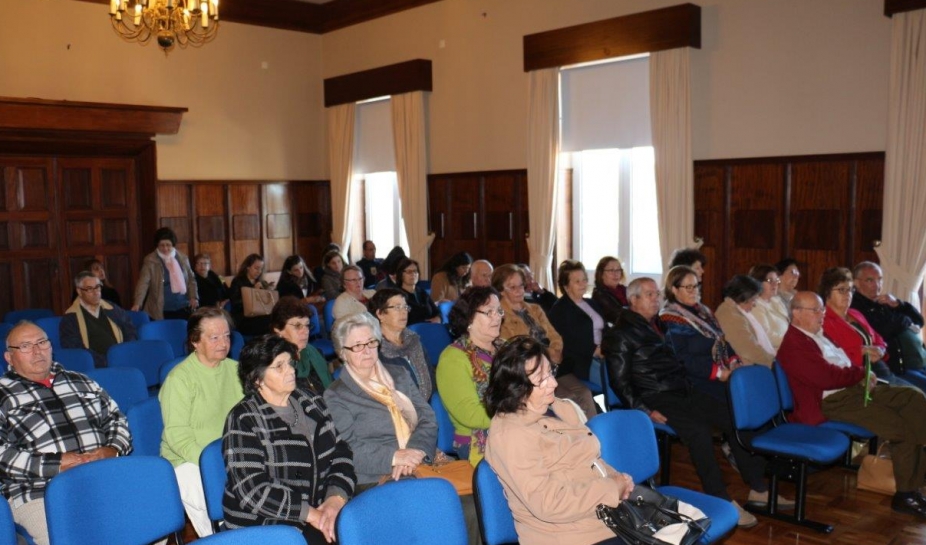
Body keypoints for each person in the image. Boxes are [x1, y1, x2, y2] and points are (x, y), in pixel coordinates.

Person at [602, 278, 781, 528]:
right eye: (648, 295)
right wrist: (645, 410)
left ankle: (758, 488)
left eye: (656, 294)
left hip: (681, 389)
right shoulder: (620, 333)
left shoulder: (659, 324)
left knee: (734, 419)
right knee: (699, 432)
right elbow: (619, 381)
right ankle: (720, 498)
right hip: (654, 395)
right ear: (633, 300)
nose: (656, 299)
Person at [324, 312, 483, 545]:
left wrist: (415, 451)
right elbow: (348, 450)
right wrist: (395, 457)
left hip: (421, 462)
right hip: (376, 475)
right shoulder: (337, 395)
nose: (367, 350)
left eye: (370, 342)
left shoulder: (398, 374)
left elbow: (428, 418)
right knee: (440, 510)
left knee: (475, 504)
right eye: (357, 346)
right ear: (342, 353)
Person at [777, 291, 926, 519]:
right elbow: (826, 378)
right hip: (834, 402)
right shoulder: (794, 344)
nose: (822, 314)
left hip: (854, 389)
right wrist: (860, 374)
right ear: (796, 314)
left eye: (822, 310)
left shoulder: (817, 334)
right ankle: (905, 495)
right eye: (815, 310)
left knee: (913, 397)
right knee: (901, 428)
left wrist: (862, 375)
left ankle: (917, 468)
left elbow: (842, 361)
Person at [485, 336, 632, 545]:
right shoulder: (511, 434)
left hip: (604, 520)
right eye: (541, 380)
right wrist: (610, 489)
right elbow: (548, 504)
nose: (554, 383)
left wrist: (618, 480)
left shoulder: (560, 407)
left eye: (551, 372)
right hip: (568, 535)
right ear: (515, 388)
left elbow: (590, 459)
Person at [0, 322, 133, 545]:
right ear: (9, 357)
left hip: (102, 476)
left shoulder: (82, 381)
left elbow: (116, 419)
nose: (37, 350)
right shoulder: (3, 394)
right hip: (39, 492)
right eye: (25, 346)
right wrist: (57, 464)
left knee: (147, 518)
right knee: (74, 537)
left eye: (42, 342)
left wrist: (113, 449)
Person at [222, 334, 355, 544]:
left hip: (320, 509)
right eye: (279, 366)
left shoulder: (310, 401)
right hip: (265, 522)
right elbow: (252, 491)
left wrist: (335, 499)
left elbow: (341, 452)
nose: (291, 370)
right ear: (257, 379)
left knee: (364, 529)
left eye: (290, 363)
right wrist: (311, 514)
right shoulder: (243, 419)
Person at [160, 307, 244, 537]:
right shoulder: (179, 379)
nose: (223, 343)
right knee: (217, 502)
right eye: (214, 337)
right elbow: (177, 437)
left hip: (230, 452)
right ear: (195, 341)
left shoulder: (236, 370)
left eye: (227, 336)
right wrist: (215, 463)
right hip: (188, 459)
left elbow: (247, 418)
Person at [493, 264, 596, 419]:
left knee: (584, 393)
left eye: (521, 285)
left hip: (553, 366)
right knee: (569, 399)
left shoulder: (534, 309)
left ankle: (594, 437)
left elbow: (555, 336)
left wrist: (554, 353)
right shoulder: (500, 315)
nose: (519, 290)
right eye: (512, 287)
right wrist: (546, 354)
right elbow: (515, 347)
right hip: (529, 372)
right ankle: (573, 438)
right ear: (501, 290)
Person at [819, 267, 919, 390]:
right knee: (917, 398)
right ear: (827, 292)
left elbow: (878, 339)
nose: (847, 294)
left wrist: (880, 350)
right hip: (860, 376)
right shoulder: (823, 320)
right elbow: (832, 356)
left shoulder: (855, 313)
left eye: (850, 290)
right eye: (841, 290)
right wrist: (862, 351)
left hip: (881, 368)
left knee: (918, 396)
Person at [435, 286, 500, 465]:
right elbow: (470, 414)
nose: (498, 317)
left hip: (515, 428)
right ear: (469, 318)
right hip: (477, 441)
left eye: (499, 311)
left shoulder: (506, 349)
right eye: (489, 312)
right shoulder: (453, 358)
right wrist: (517, 416)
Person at [660, 265, 740, 402]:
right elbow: (681, 358)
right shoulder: (670, 318)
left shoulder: (703, 311)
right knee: (737, 401)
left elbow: (719, 339)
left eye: (696, 286)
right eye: (688, 287)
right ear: (674, 290)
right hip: (694, 380)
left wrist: (733, 360)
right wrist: (718, 373)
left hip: (719, 373)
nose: (694, 291)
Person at [850, 261, 926, 376]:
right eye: (870, 280)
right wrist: (905, 320)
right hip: (899, 370)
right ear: (856, 283)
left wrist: (898, 304)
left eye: (880, 279)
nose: (877, 285)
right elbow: (884, 329)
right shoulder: (855, 306)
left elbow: (918, 320)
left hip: (919, 364)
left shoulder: (884, 302)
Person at [548, 260, 605, 402]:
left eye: (584, 280)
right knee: (615, 380)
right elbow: (567, 341)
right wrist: (595, 351)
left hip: (603, 354)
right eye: (577, 281)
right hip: (580, 362)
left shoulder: (591, 303)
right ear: (566, 286)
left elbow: (606, 330)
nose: (583, 284)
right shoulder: (560, 309)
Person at [60, 271, 138, 367]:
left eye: (97, 287)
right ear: (79, 291)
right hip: (96, 366)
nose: (96, 292)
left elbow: (129, 329)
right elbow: (77, 349)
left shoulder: (111, 308)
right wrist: (108, 362)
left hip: (122, 359)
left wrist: (126, 352)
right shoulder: (70, 318)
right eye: (89, 289)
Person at [369, 288, 433, 400]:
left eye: (405, 307)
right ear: (380, 314)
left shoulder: (414, 340)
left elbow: (431, 376)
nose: (404, 312)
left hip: (427, 407)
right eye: (397, 307)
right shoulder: (374, 350)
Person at [132, 227, 199, 320]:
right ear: (157, 245)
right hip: (161, 309)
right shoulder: (150, 260)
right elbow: (143, 283)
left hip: (183, 307)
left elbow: (191, 280)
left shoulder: (182, 258)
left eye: (168, 245)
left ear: (173, 245)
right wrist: (137, 303)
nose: (165, 248)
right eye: (161, 245)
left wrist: (193, 297)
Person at [271, 296, 333, 393]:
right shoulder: (274, 366)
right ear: (279, 330)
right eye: (297, 326)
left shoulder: (313, 352)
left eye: (307, 325)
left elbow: (331, 387)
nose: (305, 332)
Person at [714, 275, 775, 367]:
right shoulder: (730, 315)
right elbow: (749, 350)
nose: (754, 304)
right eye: (753, 300)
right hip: (749, 369)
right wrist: (775, 363)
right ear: (744, 297)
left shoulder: (735, 310)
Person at [228, 254, 274, 336]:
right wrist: (253, 291)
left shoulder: (261, 282)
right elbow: (236, 303)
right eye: (256, 268)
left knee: (274, 318)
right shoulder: (238, 281)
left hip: (259, 315)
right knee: (266, 322)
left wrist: (268, 292)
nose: (259, 272)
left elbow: (264, 304)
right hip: (243, 317)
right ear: (248, 267)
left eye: (261, 269)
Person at [747, 264, 790, 350]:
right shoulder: (755, 306)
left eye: (776, 280)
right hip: (773, 353)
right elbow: (766, 335)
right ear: (757, 283)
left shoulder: (777, 301)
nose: (775, 284)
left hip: (788, 347)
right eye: (770, 280)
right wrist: (791, 341)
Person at [394, 258, 440, 325]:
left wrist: (438, 318)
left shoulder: (422, 292)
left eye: (415, 271)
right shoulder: (397, 296)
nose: (413, 274)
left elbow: (437, 312)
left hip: (428, 329)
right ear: (401, 274)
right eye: (409, 272)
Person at [591, 256, 628, 325]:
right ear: (601, 274)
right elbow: (619, 317)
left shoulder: (626, 290)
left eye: (618, 270)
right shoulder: (600, 295)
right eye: (611, 270)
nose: (616, 274)